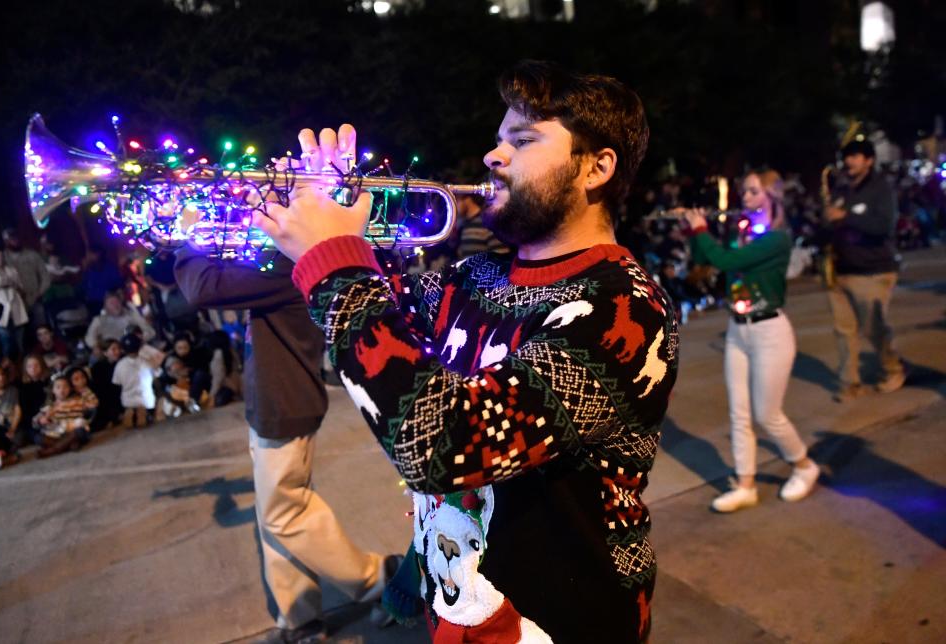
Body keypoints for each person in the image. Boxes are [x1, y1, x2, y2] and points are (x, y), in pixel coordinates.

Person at [255, 60, 678, 643]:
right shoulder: (474, 276)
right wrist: (325, 217)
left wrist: (335, 259)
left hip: (563, 618)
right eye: (499, 138)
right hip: (461, 606)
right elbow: (372, 344)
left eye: (523, 140)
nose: (492, 156)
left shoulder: (624, 310)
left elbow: (443, 444)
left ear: (596, 168)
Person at [175, 236, 398, 644]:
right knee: (273, 514)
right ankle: (300, 616)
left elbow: (202, 288)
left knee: (285, 514)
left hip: (284, 400)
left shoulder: (283, 262)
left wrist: (188, 240)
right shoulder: (276, 259)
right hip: (272, 399)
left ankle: (380, 577)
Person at [683, 170, 820, 513]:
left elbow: (728, 261)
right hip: (738, 329)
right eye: (744, 192)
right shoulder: (741, 236)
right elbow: (707, 264)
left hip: (770, 332)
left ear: (771, 197)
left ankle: (804, 466)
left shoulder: (777, 239)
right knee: (739, 413)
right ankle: (746, 484)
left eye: (753, 192)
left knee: (767, 414)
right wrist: (693, 233)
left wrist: (702, 230)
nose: (745, 198)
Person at [825, 139, 905, 401]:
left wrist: (846, 217)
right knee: (843, 331)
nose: (850, 162)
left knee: (874, 328)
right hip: (841, 270)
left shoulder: (881, 188)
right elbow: (831, 221)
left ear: (869, 160)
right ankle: (850, 383)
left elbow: (883, 226)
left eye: (856, 156)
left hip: (873, 271)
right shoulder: (842, 187)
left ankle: (893, 369)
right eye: (847, 157)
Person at [1, 228, 50, 329]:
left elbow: (45, 276)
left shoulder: (32, 255)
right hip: (14, 303)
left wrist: (39, 293)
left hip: (34, 299)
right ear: (6, 241)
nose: (15, 241)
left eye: (16, 238)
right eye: (11, 239)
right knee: (20, 334)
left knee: (41, 328)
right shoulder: (1, 258)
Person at [0, 249, 29, 359]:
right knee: (6, 339)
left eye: (1, 256)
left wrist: (13, 283)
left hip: (15, 308)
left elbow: (22, 289)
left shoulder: (12, 271)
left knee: (20, 340)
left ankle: (22, 362)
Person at [85, 292, 155, 355]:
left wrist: (141, 338)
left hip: (134, 351)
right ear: (105, 307)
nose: (115, 305)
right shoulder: (99, 320)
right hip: (113, 354)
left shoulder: (131, 315)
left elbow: (150, 331)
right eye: (111, 303)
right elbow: (89, 338)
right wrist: (95, 346)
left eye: (117, 302)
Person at [112, 333, 157, 428]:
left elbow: (117, 383)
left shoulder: (119, 365)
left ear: (123, 350)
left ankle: (132, 412)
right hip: (147, 400)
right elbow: (156, 376)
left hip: (127, 401)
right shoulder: (147, 361)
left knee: (130, 403)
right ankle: (143, 413)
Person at [0, 365, 22, 464]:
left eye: (2, 375)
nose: (1, 378)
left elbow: (17, 410)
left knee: (14, 441)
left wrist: (13, 428)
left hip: (9, 428)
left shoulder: (12, 390)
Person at [90, 339, 124, 431]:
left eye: (118, 349)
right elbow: (102, 393)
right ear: (105, 352)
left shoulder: (124, 363)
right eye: (113, 349)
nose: (117, 352)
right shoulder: (97, 368)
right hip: (108, 401)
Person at [20, 355, 50, 445]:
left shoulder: (49, 382)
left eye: (36, 365)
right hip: (33, 422)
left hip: (50, 416)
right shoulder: (23, 388)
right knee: (39, 439)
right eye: (29, 366)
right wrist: (37, 419)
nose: (33, 368)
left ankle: (56, 446)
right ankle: (64, 443)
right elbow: (24, 412)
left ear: (42, 366)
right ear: (25, 369)